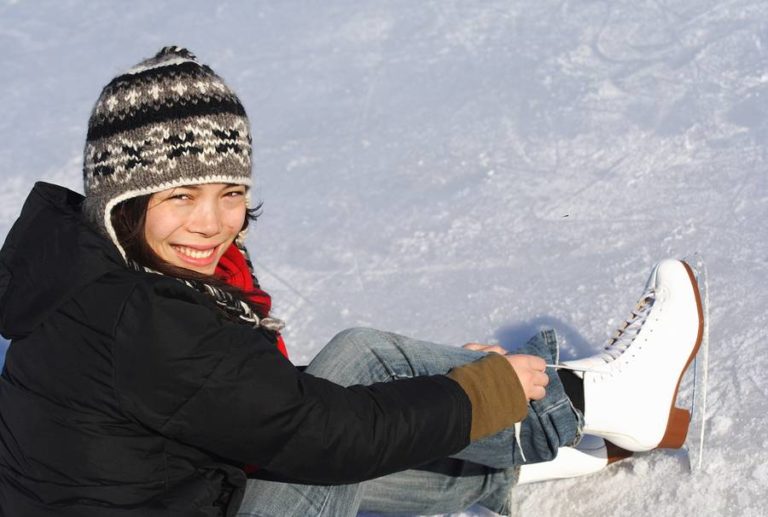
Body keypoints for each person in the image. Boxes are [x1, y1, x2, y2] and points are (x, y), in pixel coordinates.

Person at [0, 47, 704, 517]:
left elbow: (245, 403)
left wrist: (453, 398)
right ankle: (594, 399)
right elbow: (316, 431)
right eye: (179, 197)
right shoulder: (143, 321)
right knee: (351, 382)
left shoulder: (79, 274)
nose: (211, 223)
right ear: (122, 202)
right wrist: (476, 391)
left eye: (228, 190)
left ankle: (516, 452)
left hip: (186, 492)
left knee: (336, 400)